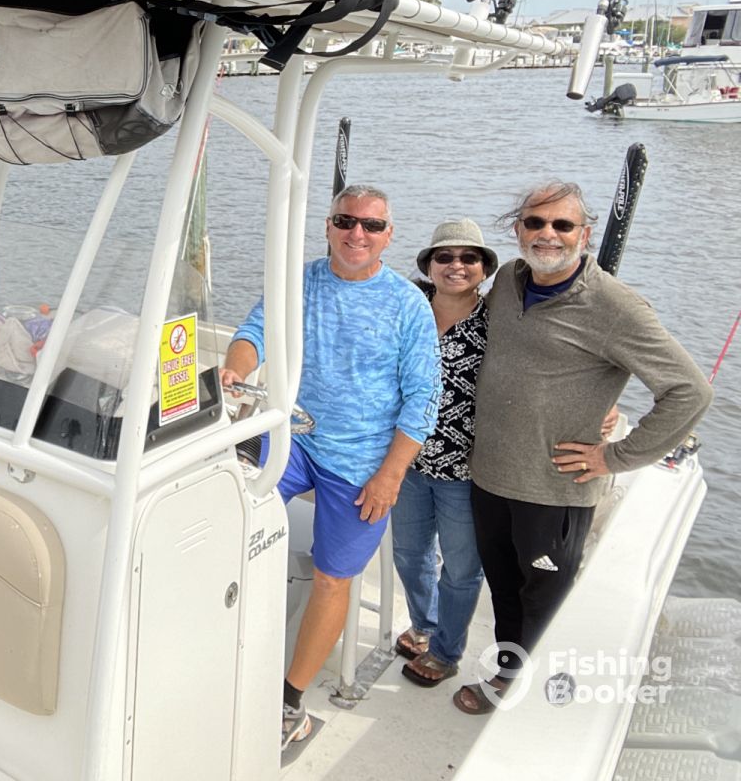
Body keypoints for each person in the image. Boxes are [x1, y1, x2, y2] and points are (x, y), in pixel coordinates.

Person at [455, 182, 713, 715]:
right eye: (535, 223)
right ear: (517, 230)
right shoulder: (508, 279)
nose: (547, 234)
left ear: (585, 234)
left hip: (556, 489)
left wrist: (615, 456)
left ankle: (536, 698)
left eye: (562, 225)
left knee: (544, 600)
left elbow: (689, 391)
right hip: (490, 476)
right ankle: (510, 672)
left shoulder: (616, 307)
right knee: (503, 586)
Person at [220, 184, 440, 749]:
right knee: (221, 500)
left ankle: (289, 700)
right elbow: (255, 331)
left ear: (389, 235)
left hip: (362, 459)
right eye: (345, 221)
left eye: (371, 225)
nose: (356, 233)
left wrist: (390, 475)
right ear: (327, 226)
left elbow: (423, 400)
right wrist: (236, 369)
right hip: (291, 436)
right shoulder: (300, 281)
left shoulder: (409, 305)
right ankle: (223, 637)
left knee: (332, 576)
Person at [390, 219, 496, 687]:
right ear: (429, 265)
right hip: (407, 460)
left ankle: (447, 651)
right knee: (409, 554)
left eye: (469, 257)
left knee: (461, 568)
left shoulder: (498, 322)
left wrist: (602, 406)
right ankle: (425, 624)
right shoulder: (409, 309)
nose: (457, 265)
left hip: (466, 470)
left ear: (483, 268)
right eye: (445, 256)